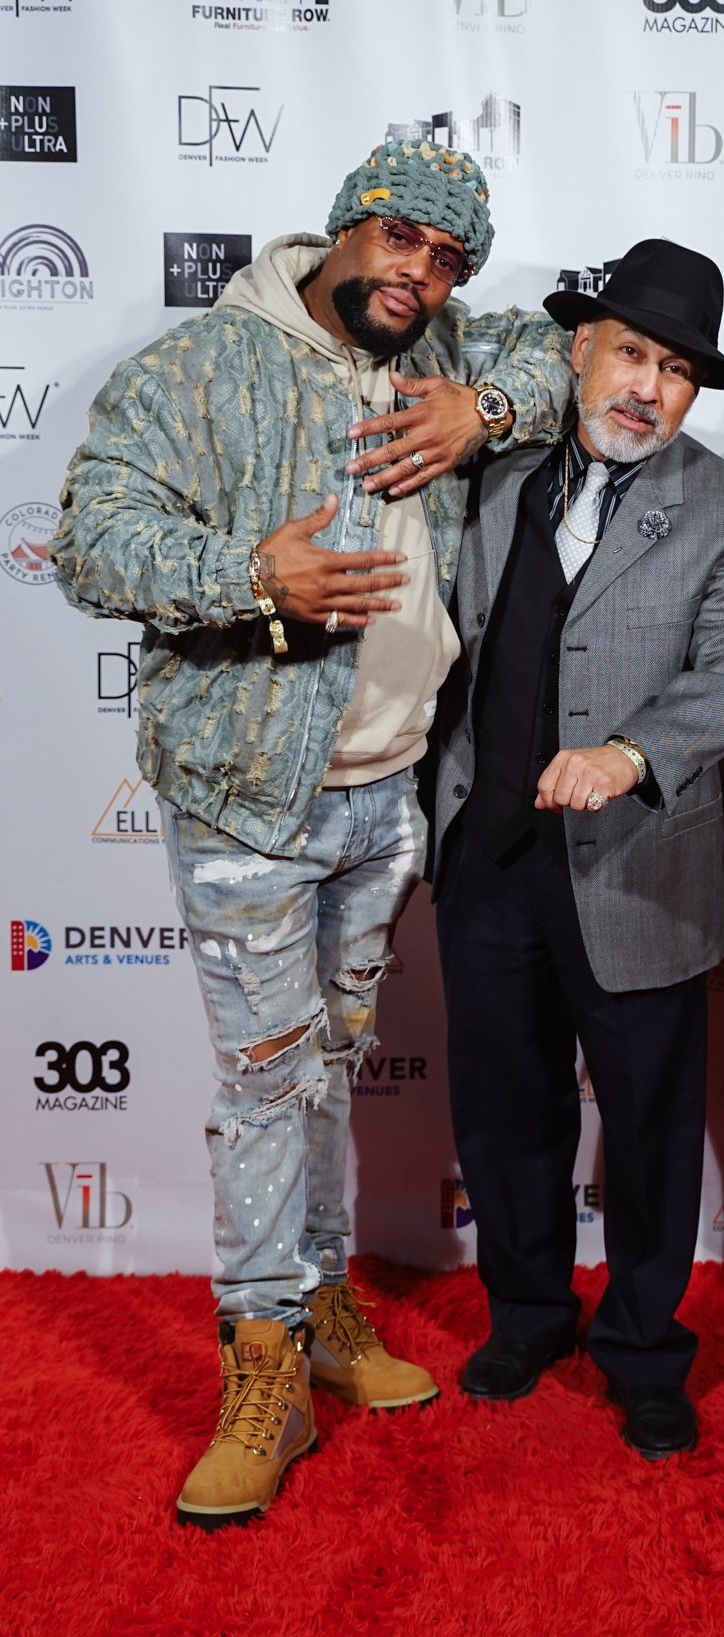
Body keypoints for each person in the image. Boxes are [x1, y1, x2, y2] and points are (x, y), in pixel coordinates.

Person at [51, 139, 574, 1529]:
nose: (421, 274)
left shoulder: (443, 349)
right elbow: (91, 537)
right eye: (403, 240)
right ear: (346, 227)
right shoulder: (201, 365)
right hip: (249, 797)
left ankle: (324, 1306)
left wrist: (485, 407)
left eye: (449, 259)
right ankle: (261, 1362)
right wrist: (247, 574)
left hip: (388, 792)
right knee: (266, 1083)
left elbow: (565, 357)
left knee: (330, 1069)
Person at [431, 239, 724, 1462]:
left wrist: (632, 753)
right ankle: (528, 1316)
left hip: (637, 870)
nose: (646, 387)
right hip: (488, 856)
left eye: (676, 370)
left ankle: (643, 1350)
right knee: (504, 1109)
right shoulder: (494, 478)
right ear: (578, 349)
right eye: (630, 352)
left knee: (646, 1128)